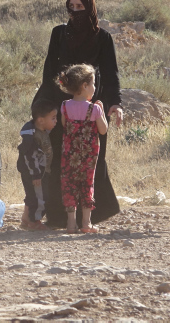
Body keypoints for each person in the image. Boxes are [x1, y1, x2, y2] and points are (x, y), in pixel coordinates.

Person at [32, 0, 123, 228]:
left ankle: (94, 215)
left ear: (89, 8)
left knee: (93, 162)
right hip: (63, 108)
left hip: (93, 106)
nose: (74, 12)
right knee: (62, 161)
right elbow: (49, 71)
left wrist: (114, 104)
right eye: (71, 7)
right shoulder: (59, 34)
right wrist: (51, 106)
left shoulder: (103, 38)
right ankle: (60, 216)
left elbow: (111, 74)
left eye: (80, 7)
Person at [57, 64, 109, 233]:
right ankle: (86, 223)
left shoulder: (64, 106)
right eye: (93, 84)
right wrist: (100, 111)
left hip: (69, 154)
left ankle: (71, 223)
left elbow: (65, 126)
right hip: (88, 156)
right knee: (87, 184)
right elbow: (103, 130)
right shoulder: (94, 109)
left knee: (69, 184)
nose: (95, 88)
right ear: (84, 86)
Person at [17, 99, 58, 231]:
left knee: (33, 196)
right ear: (41, 120)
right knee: (40, 197)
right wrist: (35, 174)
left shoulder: (43, 132)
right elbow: (30, 157)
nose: (55, 121)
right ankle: (34, 222)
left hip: (40, 172)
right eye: (53, 118)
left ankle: (26, 220)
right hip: (35, 174)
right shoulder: (32, 138)